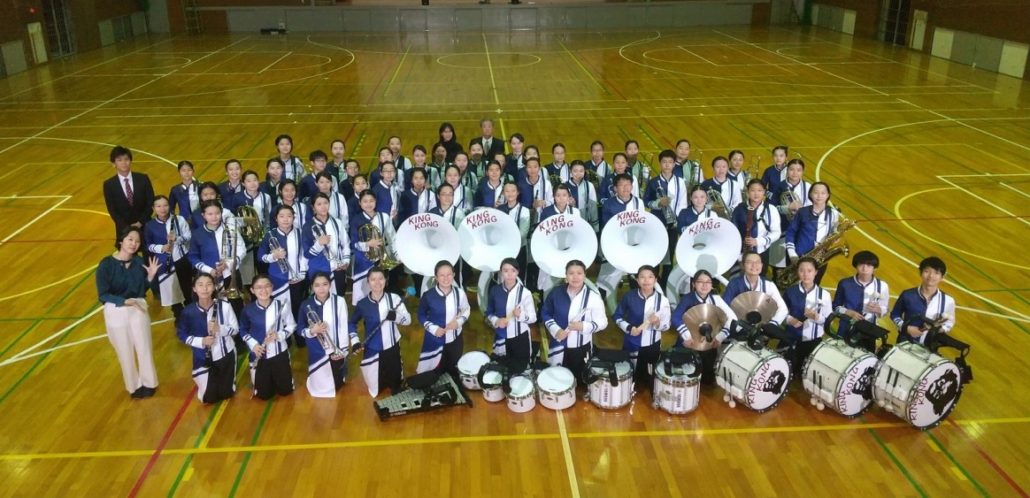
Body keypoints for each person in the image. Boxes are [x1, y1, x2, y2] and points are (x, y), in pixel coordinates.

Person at [96, 226, 161, 399]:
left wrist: (150, 277)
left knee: (144, 346)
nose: (133, 244)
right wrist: (124, 301)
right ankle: (133, 386)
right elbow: (103, 294)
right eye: (130, 239)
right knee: (124, 351)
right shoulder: (106, 264)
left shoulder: (139, 262)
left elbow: (141, 289)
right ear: (121, 240)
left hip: (137, 306)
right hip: (116, 309)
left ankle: (149, 383)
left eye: (137, 241)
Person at [541, 260, 608, 380]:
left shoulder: (593, 297)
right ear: (566, 276)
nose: (575, 277)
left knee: (580, 380)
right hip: (558, 344)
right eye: (571, 273)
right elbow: (546, 313)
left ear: (584, 275)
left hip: (581, 347)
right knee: (557, 379)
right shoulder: (556, 292)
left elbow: (603, 322)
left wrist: (583, 326)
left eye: (579, 273)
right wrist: (556, 330)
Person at [176, 273, 238, 403]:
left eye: (209, 284)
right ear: (194, 289)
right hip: (202, 358)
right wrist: (201, 341)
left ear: (214, 287)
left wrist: (220, 329)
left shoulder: (225, 306)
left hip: (225, 355)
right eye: (200, 285)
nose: (205, 289)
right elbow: (181, 334)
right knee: (208, 398)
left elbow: (236, 329)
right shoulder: (188, 312)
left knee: (226, 394)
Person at [351, 266, 412, 397]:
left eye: (381, 278)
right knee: (376, 386)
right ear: (368, 282)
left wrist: (395, 317)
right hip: (372, 348)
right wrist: (355, 341)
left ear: (386, 280)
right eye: (373, 279)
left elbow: (408, 320)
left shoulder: (394, 298)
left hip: (392, 346)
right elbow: (351, 323)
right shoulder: (362, 304)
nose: (377, 282)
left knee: (396, 383)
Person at [671, 269, 737, 384]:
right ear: (694, 284)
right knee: (684, 376)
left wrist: (721, 336)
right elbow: (675, 317)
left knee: (707, 380)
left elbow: (733, 319)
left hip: (708, 343)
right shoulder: (687, 299)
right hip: (689, 342)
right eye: (700, 281)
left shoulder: (716, 299)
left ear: (712, 285)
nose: (704, 285)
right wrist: (686, 336)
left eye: (708, 282)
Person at [298, 272, 357, 398]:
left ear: (330, 285)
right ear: (312, 287)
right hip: (317, 351)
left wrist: (343, 350)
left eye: (325, 284)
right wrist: (313, 330)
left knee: (338, 384)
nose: (321, 288)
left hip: (336, 349)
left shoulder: (340, 301)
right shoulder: (305, 304)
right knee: (321, 386)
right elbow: (299, 329)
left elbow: (344, 325)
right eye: (317, 285)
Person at [613, 265, 671, 388]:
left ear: (655, 280)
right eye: (642, 277)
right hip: (631, 342)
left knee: (650, 377)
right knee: (629, 375)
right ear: (637, 280)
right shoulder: (629, 296)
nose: (646, 280)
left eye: (650, 277)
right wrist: (629, 328)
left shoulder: (663, 300)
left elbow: (666, 325)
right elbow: (617, 316)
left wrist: (657, 323)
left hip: (652, 344)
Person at [240, 274, 296, 400]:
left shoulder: (282, 305)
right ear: (252, 290)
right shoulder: (248, 310)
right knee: (263, 395)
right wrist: (254, 345)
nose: (264, 290)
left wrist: (279, 335)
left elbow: (292, 325)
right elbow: (243, 330)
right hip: (259, 354)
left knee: (285, 391)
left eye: (267, 286)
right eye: (259, 287)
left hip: (279, 353)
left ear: (272, 287)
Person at [416, 261, 471, 376]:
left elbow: (466, 309)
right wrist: (433, 328)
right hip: (434, 340)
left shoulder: (460, 293)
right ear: (436, 277)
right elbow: (420, 315)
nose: (446, 278)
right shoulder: (428, 295)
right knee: (434, 371)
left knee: (453, 368)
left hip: (455, 339)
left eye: (449, 274)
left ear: (454, 275)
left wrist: (459, 322)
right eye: (442, 275)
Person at [782, 257, 832, 378]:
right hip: (792, 337)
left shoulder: (825, 295)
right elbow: (781, 313)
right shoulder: (790, 291)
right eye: (801, 270)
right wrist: (789, 320)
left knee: (807, 373)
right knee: (787, 371)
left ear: (816, 272)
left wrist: (816, 317)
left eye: (809, 271)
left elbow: (828, 321)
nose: (805, 274)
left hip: (813, 340)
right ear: (797, 272)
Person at [644, 150, 688, 288]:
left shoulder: (680, 182)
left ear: (674, 164)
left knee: (670, 256)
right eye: (664, 162)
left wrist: (676, 220)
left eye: (670, 162)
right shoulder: (653, 182)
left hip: (672, 226)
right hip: (657, 224)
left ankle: (665, 285)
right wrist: (658, 203)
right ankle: (653, 284)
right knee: (656, 255)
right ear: (660, 163)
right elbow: (646, 202)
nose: (667, 165)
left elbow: (683, 204)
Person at [144, 196, 191, 320]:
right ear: (153, 208)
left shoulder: (179, 219)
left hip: (181, 259)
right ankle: (178, 315)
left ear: (169, 206)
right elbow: (148, 245)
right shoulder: (150, 225)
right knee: (172, 290)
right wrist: (161, 248)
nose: (162, 209)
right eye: (158, 206)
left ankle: (191, 311)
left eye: (165, 205)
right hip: (165, 263)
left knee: (187, 287)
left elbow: (189, 236)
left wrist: (178, 239)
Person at [890, 256, 956, 345]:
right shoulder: (907, 295)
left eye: (936, 273)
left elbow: (949, 322)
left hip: (930, 346)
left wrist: (940, 330)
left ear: (942, 277)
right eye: (927, 271)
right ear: (920, 273)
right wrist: (906, 328)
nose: (931, 276)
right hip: (905, 342)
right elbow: (895, 314)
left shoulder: (948, 301)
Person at [258, 205, 308, 320]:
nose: (286, 219)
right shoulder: (270, 234)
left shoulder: (300, 233)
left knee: (297, 310)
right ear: (276, 219)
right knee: (280, 311)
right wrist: (273, 256)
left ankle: (298, 331)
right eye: (282, 216)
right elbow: (260, 256)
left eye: (289, 216)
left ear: (294, 218)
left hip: (297, 280)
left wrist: (302, 274)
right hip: (277, 279)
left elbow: (305, 255)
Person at [784, 181, 839, 284]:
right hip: (799, 256)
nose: (819, 196)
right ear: (810, 194)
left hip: (820, 258)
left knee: (814, 285)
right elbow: (791, 233)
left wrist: (835, 237)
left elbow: (833, 232)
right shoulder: (802, 212)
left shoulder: (834, 214)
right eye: (816, 192)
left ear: (828, 195)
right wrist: (792, 254)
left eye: (823, 193)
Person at [832, 250, 890, 345]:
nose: (864, 268)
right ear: (855, 266)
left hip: (868, 331)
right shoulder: (845, 283)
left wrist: (879, 310)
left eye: (869, 265)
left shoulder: (883, 286)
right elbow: (835, 307)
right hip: (846, 328)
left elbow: (886, 310)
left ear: (874, 268)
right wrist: (848, 312)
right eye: (861, 264)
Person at [485, 257, 537, 360]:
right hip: (501, 335)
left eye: (513, 270)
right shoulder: (494, 290)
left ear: (517, 272)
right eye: (505, 271)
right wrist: (496, 320)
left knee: (520, 366)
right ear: (501, 272)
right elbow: (489, 312)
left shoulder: (525, 293)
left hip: (520, 337)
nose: (509, 274)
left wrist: (520, 315)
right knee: (500, 364)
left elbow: (533, 318)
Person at [103, 146, 155, 246]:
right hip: (123, 231)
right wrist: (127, 228)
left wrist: (140, 222)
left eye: (126, 159)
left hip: (145, 226)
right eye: (119, 160)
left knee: (149, 253)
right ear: (113, 164)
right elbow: (112, 210)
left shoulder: (143, 179)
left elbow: (150, 202)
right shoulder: (109, 184)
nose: (124, 162)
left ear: (131, 161)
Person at [730, 179, 781, 276]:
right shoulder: (739, 209)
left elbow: (776, 232)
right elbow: (733, 233)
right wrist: (739, 256)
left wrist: (758, 241)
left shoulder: (771, 209)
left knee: (760, 278)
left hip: (762, 251)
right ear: (747, 192)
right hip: (742, 253)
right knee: (742, 279)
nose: (756, 194)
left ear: (764, 192)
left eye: (760, 190)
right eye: (753, 190)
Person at [722, 252, 788, 327]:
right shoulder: (734, 284)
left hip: (763, 326)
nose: (754, 265)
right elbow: (724, 307)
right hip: (739, 326)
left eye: (757, 262)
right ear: (743, 265)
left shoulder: (769, 284)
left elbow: (783, 308)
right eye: (749, 262)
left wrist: (772, 324)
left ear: (762, 265)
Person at [304, 192, 351, 296]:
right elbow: (307, 254)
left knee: (338, 298)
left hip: (338, 269)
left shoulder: (337, 222)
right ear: (313, 207)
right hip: (318, 270)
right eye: (319, 204)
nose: (323, 206)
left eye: (326, 203)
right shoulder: (307, 226)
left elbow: (346, 243)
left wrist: (346, 261)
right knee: (320, 300)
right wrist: (319, 244)